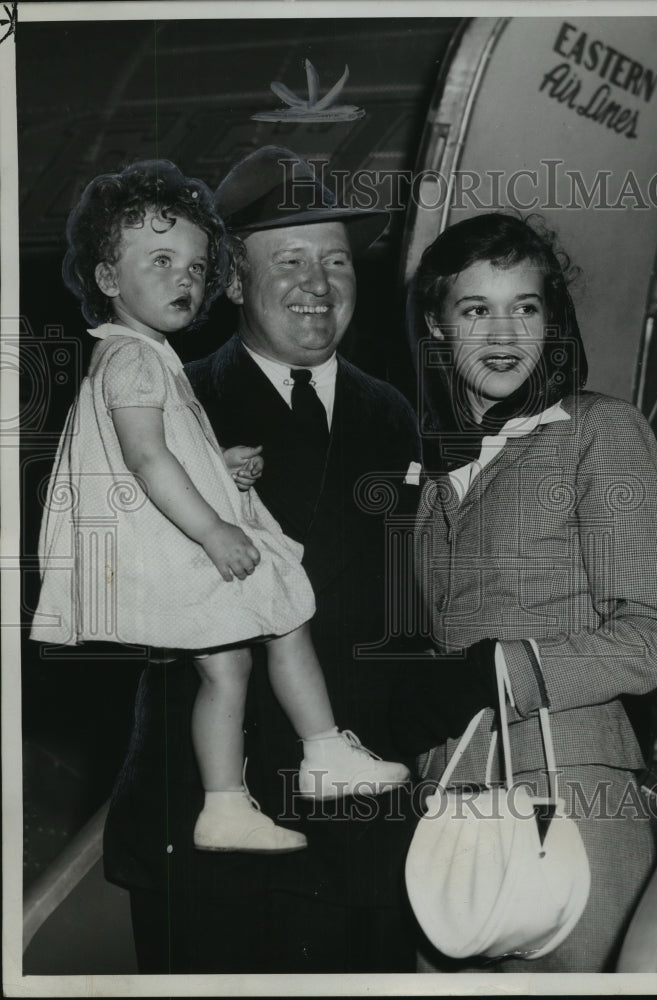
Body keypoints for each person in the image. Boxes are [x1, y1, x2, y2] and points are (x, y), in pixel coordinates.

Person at [30, 159, 409, 861]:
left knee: (227, 668)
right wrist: (212, 525)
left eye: (193, 267)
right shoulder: (142, 362)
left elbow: (159, 450)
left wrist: (219, 469)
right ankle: (321, 749)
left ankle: (227, 804)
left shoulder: (392, 409)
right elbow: (147, 459)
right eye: (162, 261)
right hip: (177, 556)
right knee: (283, 601)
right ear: (108, 279)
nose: (184, 279)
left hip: (366, 841)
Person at [102, 147, 423, 973]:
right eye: (289, 260)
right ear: (235, 284)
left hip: (360, 829)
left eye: (337, 262)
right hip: (212, 820)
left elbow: (409, 607)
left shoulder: (395, 414)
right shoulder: (168, 401)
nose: (318, 284)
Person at [394, 212, 657, 973]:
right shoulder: (425, 468)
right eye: (475, 310)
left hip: (570, 792)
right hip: (443, 800)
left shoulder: (600, 431)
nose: (503, 334)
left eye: (524, 308)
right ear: (436, 326)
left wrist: (501, 670)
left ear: (550, 321)